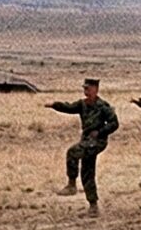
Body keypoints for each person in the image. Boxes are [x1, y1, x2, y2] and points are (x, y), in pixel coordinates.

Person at [49, 78, 119, 215]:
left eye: (88, 89)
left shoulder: (103, 106)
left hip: (97, 141)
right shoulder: (82, 104)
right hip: (86, 141)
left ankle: (71, 184)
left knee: (72, 152)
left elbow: (114, 123)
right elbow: (69, 107)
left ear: (96, 89)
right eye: (84, 89)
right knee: (87, 172)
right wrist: (55, 105)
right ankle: (93, 206)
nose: (86, 91)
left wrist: (100, 132)